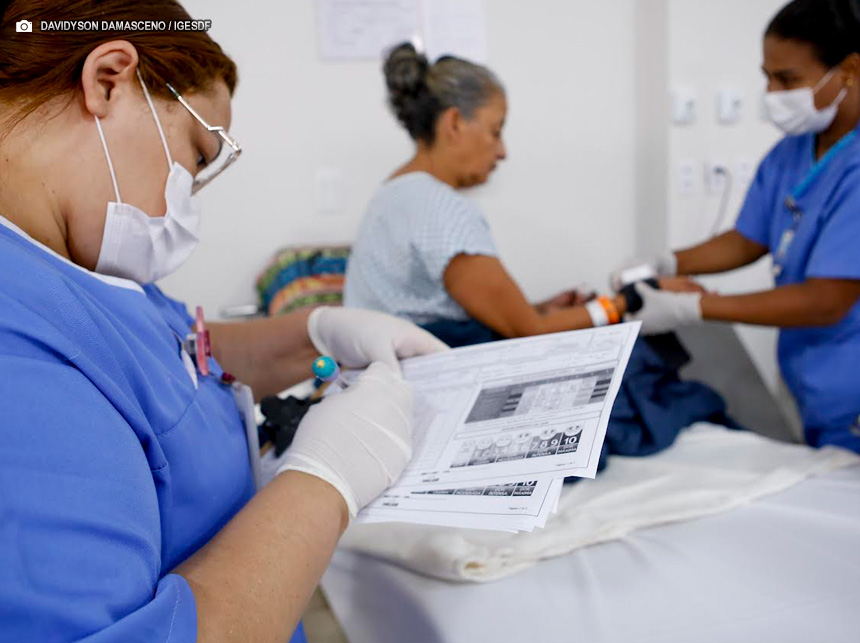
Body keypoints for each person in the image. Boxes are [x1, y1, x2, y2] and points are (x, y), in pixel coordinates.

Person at [0, 2, 446, 642]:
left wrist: (314, 332)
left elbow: (175, 358)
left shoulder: (76, 269)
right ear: (108, 80)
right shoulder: (15, 342)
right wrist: (324, 481)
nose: (186, 201)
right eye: (196, 156)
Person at [344, 43, 703, 347]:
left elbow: (455, 315)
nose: (502, 152)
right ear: (454, 123)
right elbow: (528, 332)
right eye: (495, 131)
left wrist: (539, 309)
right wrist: (628, 301)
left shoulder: (392, 193)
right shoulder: (442, 209)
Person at [623, 0, 860, 453]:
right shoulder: (792, 152)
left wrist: (696, 308)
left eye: (787, 79)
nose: (771, 93)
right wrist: (665, 261)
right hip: (811, 379)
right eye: (766, 76)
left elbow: (827, 300)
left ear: (848, 70)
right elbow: (749, 238)